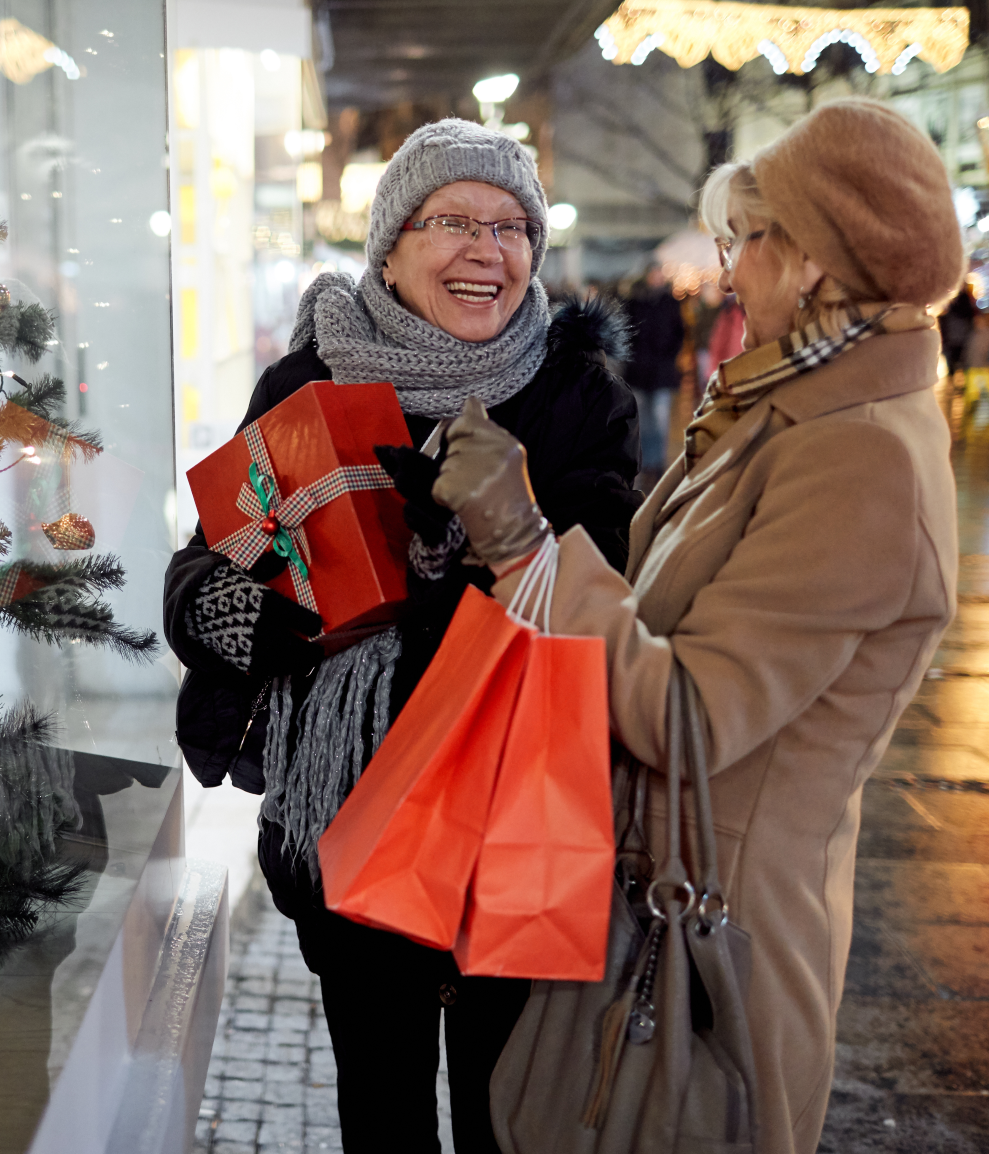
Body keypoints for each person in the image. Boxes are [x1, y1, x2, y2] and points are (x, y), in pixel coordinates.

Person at [433, 98, 961, 1154]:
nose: (726, 274)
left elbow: (691, 712)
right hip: (643, 889)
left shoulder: (859, 456)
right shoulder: (780, 409)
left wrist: (525, 544)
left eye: (746, 241)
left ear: (811, 260)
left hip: (707, 942)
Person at [163, 119, 642, 1154]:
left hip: (512, 812)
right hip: (348, 817)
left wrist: (459, 546)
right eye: (455, 221)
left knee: (505, 1117)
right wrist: (278, 613)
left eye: (514, 225)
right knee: (380, 1110)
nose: (490, 249)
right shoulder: (306, 387)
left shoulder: (575, 396)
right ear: (390, 245)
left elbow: (601, 583)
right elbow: (203, 568)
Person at [622, 264, 687, 476]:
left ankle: (657, 462)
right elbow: (627, 332)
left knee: (660, 419)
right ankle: (645, 460)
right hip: (639, 370)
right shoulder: (635, 302)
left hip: (661, 371)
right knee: (643, 419)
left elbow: (679, 332)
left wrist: (670, 355)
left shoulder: (670, 303)